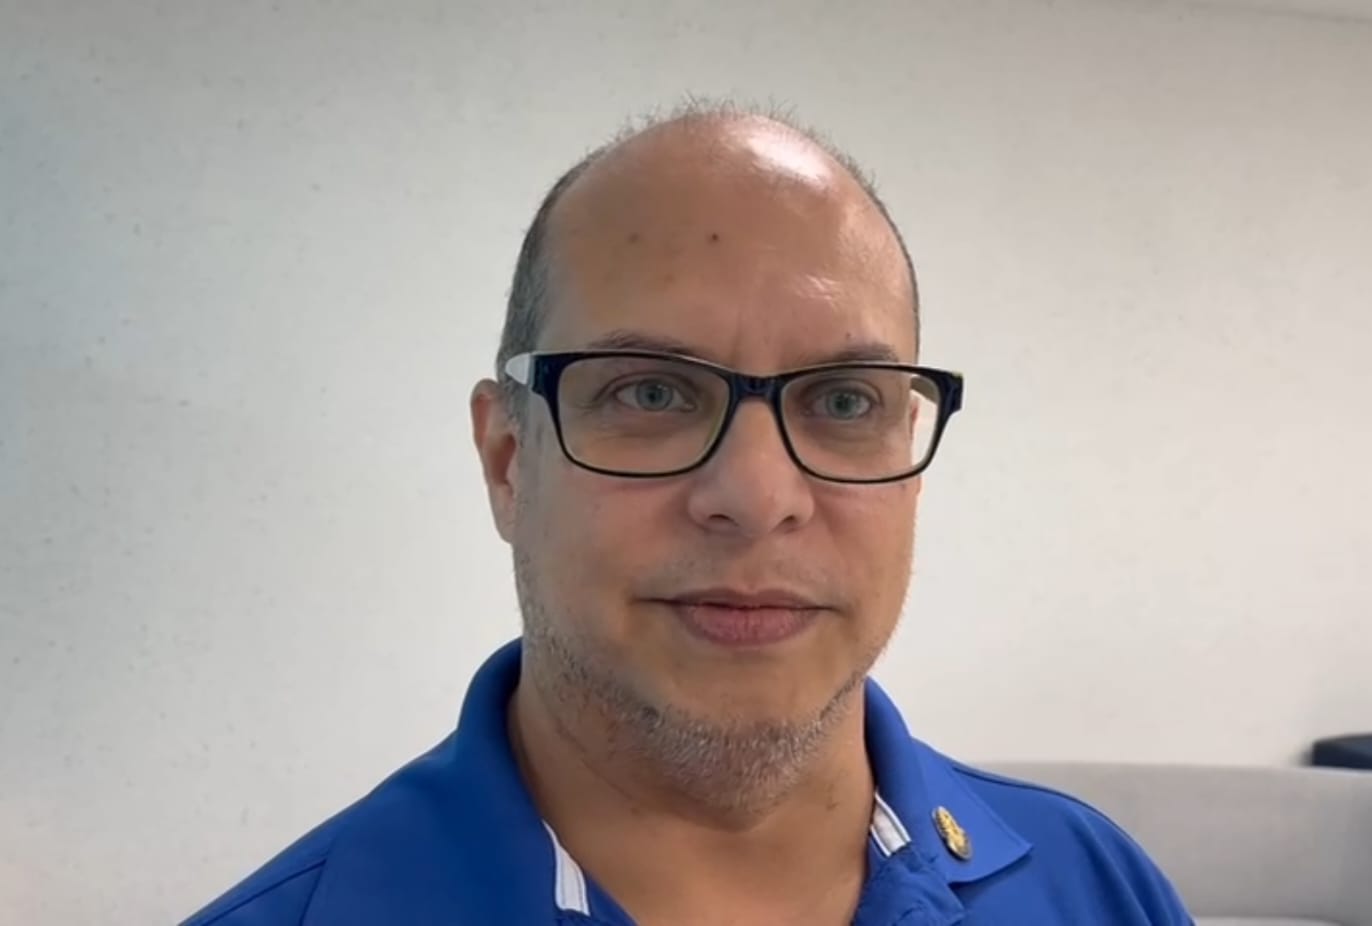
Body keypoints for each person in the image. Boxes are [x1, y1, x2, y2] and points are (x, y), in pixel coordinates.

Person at [183, 102, 1193, 926]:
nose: (757, 500)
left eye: (844, 402)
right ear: (506, 461)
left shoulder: (1100, 888)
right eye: (651, 393)